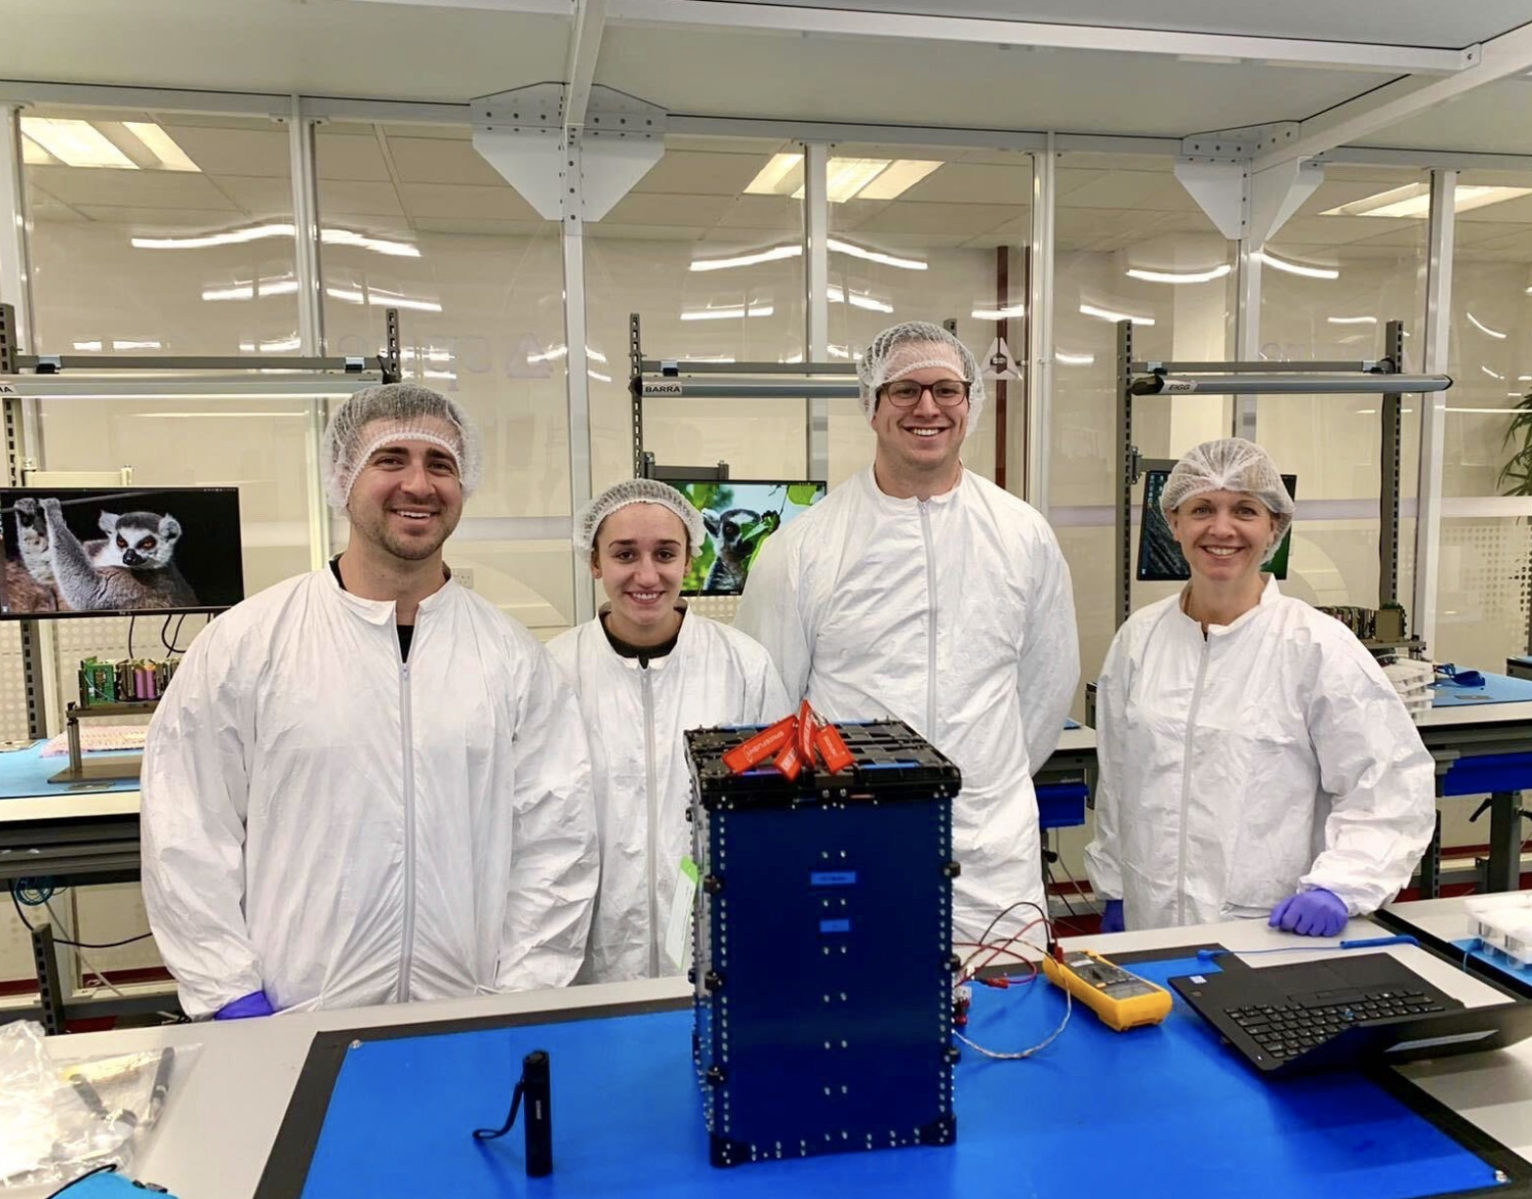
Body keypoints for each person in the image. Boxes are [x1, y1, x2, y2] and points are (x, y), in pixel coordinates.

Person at [140, 383, 598, 1018]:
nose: (419, 484)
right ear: (342, 478)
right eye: (391, 460)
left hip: (467, 1016)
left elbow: (556, 840)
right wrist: (228, 991)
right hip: (294, 1015)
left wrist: (524, 994)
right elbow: (185, 826)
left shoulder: (512, 658)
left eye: (441, 464)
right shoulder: (246, 645)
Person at [736, 321, 1079, 944]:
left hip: (991, 852)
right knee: (853, 1021)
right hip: (853, 840)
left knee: (1010, 1021)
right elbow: (769, 708)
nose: (928, 407)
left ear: (970, 404)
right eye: (904, 390)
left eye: (947, 390)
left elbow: (1046, 690)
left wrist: (981, 779)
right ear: (871, 404)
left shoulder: (1022, 536)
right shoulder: (804, 547)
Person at [1084, 438, 1434, 936]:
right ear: (1174, 522)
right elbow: (1120, 781)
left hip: (1271, 927)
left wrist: (1340, 884)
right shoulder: (1140, 639)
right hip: (1151, 920)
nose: (1221, 529)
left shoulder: (1316, 646)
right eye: (1202, 508)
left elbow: (1389, 781)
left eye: (1244, 510)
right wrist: (1117, 885)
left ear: (1274, 528)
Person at [548, 479, 790, 982]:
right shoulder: (553, 672)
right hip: (589, 955)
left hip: (717, 950)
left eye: (664, 553)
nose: (646, 574)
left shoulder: (743, 665)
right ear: (595, 563)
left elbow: (775, 814)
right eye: (624, 554)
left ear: (689, 561)